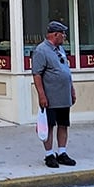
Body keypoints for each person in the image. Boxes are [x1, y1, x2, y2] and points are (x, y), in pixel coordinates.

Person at [32, 20, 77, 169]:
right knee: (49, 126)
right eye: (62, 34)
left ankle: (62, 152)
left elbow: (66, 71)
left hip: (64, 96)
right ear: (55, 34)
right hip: (50, 97)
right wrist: (41, 95)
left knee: (63, 124)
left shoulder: (60, 49)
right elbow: (37, 74)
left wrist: (71, 89)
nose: (65, 36)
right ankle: (49, 154)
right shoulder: (41, 50)